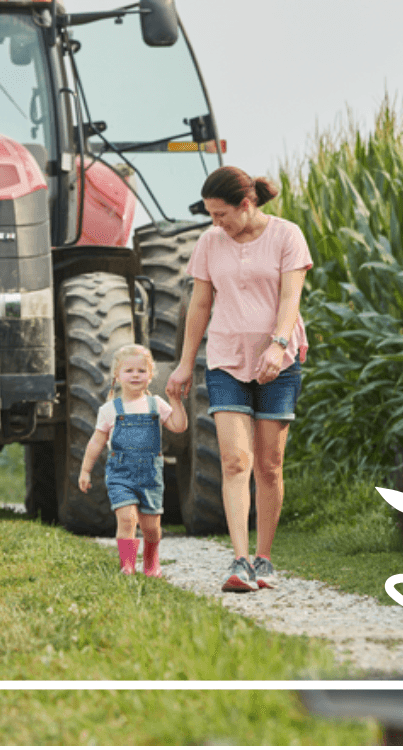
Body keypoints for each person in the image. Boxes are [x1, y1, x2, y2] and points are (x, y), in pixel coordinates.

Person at [166, 165, 311, 592]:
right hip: (226, 358)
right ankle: (240, 561)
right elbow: (200, 305)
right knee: (235, 460)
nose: (216, 223)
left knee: (268, 465)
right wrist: (184, 362)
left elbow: (290, 297)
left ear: (245, 205)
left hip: (278, 364)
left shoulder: (287, 236)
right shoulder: (210, 243)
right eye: (211, 216)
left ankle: (264, 558)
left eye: (221, 214)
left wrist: (278, 344)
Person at [79, 345, 189, 575]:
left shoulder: (156, 404)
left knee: (151, 528)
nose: (136, 375)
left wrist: (175, 400)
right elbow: (96, 443)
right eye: (129, 370)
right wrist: (85, 471)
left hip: (150, 474)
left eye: (141, 370)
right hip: (121, 474)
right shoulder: (110, 409)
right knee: (127, 519)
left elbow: (179, 427)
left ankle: (151, 561)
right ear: (117, 376)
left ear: (150, 375)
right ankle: (127, 565)